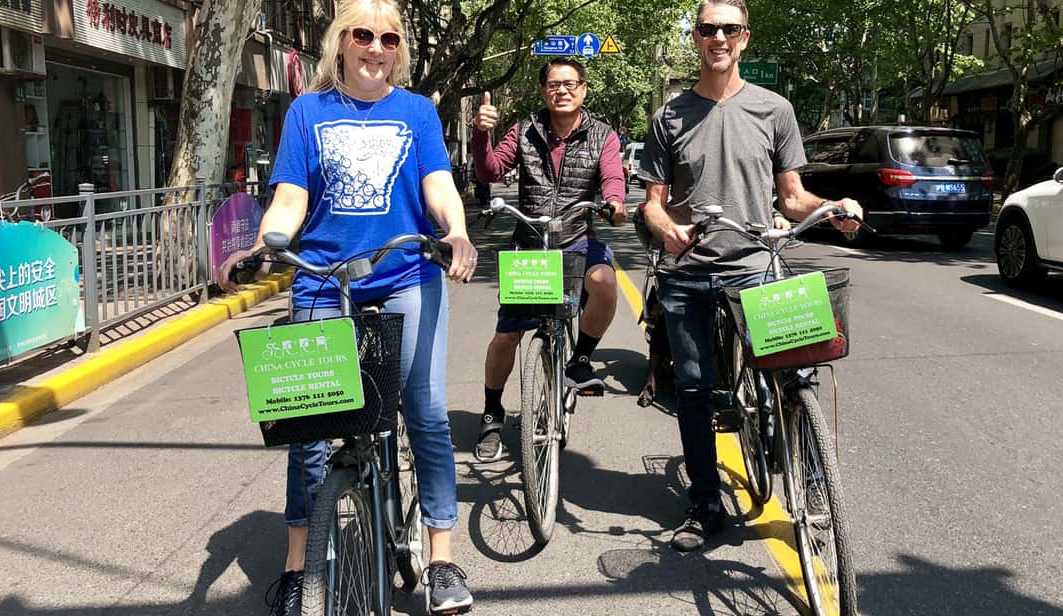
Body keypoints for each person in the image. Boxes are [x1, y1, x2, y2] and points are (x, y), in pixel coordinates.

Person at [216, 0, 476, 613]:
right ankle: (297, 569)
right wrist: (261, 248)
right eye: (364, 34)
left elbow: (438, 183)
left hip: (407, 275)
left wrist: (456, 232)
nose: (376, 48)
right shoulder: (308, 112)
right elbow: (289, 199)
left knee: (427, 413)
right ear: (341, 42)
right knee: (309, 431)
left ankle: (442, 558)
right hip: (323, 282)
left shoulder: (417, 111)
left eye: (389, 38)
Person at [637, 0, 864, 553]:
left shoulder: (775, 109)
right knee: (693, 389)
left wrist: (831, 206)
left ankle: (811, 482)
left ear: (744, 38)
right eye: (709, 29)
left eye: (729, 29)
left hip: (756, 265)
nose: (719, 37)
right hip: (688, 271)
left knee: (796, 376)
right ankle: (705, 504)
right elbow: (651, 204)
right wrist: (666, 228)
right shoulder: (669, 117)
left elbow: (791, 196)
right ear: (696, 37)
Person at [470, 57, 627, 463]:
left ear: (584, 89)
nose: (563, 90)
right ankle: (491, 412)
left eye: (570, 83)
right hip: (531, 246)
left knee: (604, 282)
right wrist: (480, 134)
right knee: (507, 335)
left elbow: (612, 176)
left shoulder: (603, 135)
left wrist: (614, 201)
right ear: (543, 92)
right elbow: (489, 170)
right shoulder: (523, 131)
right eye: (554, 85)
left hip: (577, 240)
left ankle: (580, 360)